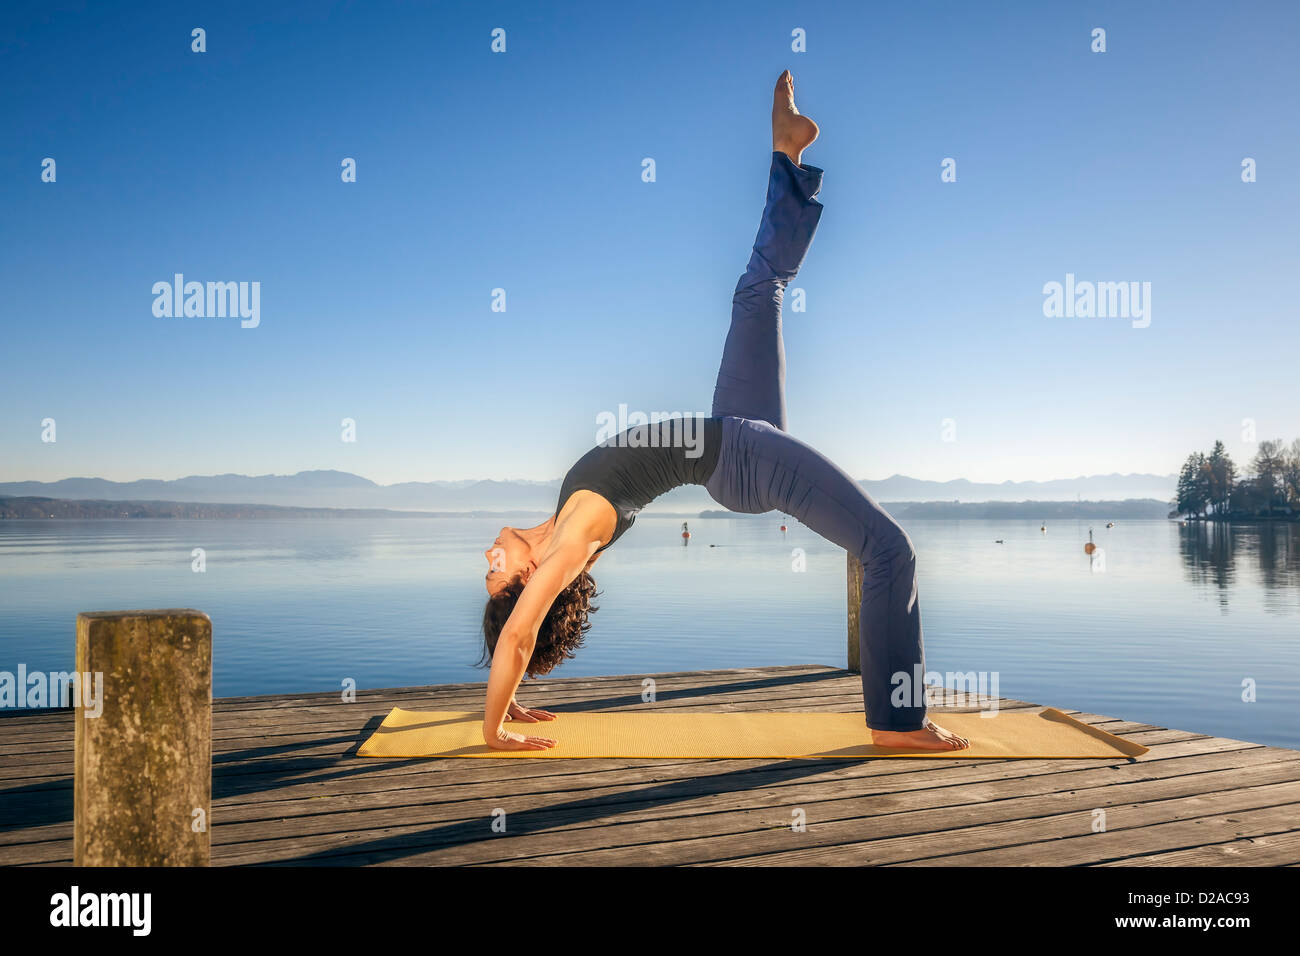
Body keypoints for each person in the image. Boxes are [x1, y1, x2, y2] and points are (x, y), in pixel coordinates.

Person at [479, 71, 970, 753]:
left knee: (756, 290)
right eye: (491, 572)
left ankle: (787, 151)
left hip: (734, 436)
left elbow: (522, 637)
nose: (487, 556)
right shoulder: (568, 545)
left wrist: (517, 695)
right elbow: (520, 633)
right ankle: (898, 723)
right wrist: (494, 723)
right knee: (890, 550)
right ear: (526, 579)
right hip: (742, 462)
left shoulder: (564, 511)